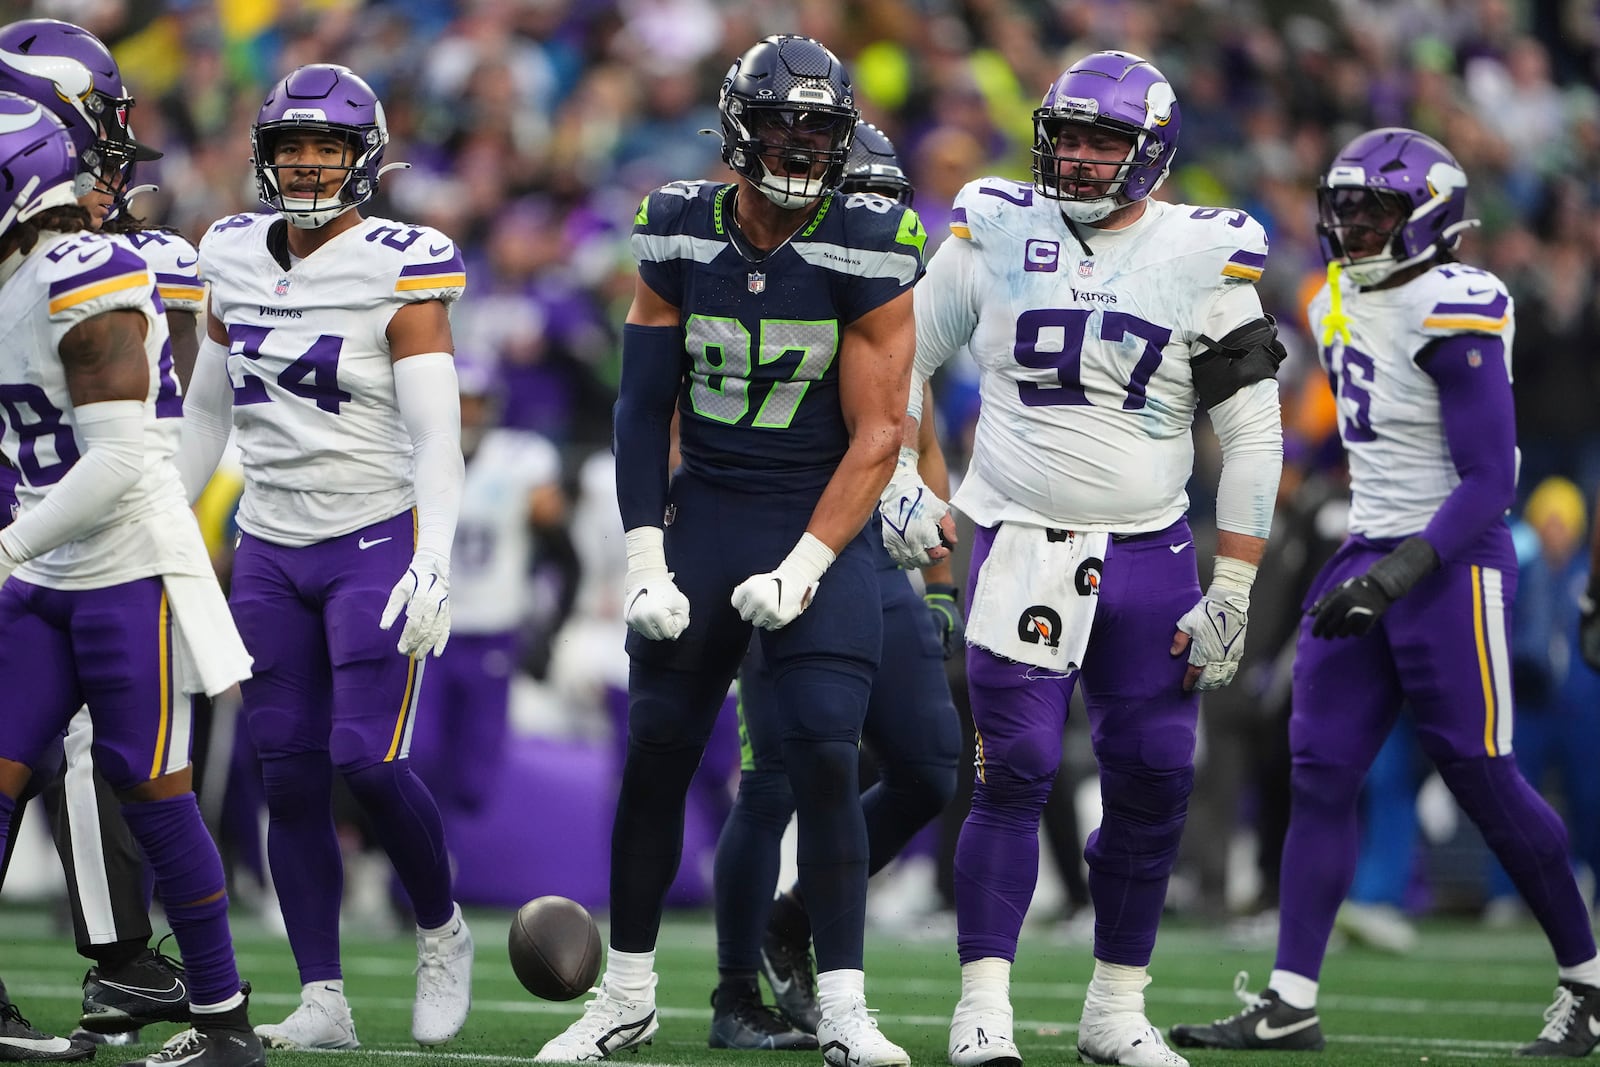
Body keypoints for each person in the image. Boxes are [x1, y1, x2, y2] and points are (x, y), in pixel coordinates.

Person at [878, 50, 1286, 1067]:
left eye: (1104, 139)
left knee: (1153, 778)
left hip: (1152, 550)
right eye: (1067, 135)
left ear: (1150, 152)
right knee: (1010, 771)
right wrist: (900, 477)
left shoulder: (1205, 254)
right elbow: (903, 359)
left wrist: (1233, 584)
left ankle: (1115, 1005)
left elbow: (1254, 434)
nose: (1079, 156)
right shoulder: (994, 227)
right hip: (1017, 537)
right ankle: (983, 1002)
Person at [535, 35, 925, 1067]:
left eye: (819, 127)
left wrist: (803, 565)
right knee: (656, 754)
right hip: (705, 512)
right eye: (783, 123)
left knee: (830, 756)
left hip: (817, 513)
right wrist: (645, 557)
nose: (800, 145)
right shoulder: (675, 225)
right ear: (737, 125)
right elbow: (640, 404)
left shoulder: (870, 236)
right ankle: (624, 995)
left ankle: (840, 1002)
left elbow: (881, 433)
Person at [1168, 126, 1600, 1057]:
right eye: (1346, 206)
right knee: (1317, 767)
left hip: (1453, 561)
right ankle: (1290, 999)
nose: (1355, 224)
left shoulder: (1461, 302)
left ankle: (1589, 981)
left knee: (1483, 772)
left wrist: (1402, 572)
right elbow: (1363, 430)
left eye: (1377, 210)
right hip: (1365, 545)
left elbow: (1490, 479)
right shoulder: (1331, 298)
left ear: (1431, 219)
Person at [175, 63, 474, 1050]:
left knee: (367, 759)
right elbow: (209, 407)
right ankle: (323, 993)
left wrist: (433, 559)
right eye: (291, 148)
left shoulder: (401, 261)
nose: (307, 166)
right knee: (287, 771)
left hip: (373, 534)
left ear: (363, 159)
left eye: (327, 149)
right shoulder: (227, 250)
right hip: (266, 538)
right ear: (265, 157)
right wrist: (168, 524)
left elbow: (437, 437)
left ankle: (441, 928)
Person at [0, 91, 263, 1067]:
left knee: (152, 789)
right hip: (46, 567)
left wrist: (5, 547)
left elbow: (116, 460)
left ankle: (226, 1019)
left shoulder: (92, 268)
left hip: (120, 573)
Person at [707, 119, 961, 1052]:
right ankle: (736, 990)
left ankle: (793, 917)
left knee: (931, 766)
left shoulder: (899, 297)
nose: (878, 215)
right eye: (863, 195)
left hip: (876, 565)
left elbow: (920, 437)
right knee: (777, 775)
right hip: (783, 553)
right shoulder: (773, 294)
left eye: (889, 198)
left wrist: (940, 580)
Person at [408, 358, 572, 829]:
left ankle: (446, 862)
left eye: (476, 403)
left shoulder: (521, 461)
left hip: (494, 634)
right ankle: (411, 877)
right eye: (459, 402)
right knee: (419, 755)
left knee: (475, 776)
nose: (468, 413)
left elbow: (565, 552)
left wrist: (549, 627)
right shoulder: (409, 455)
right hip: (427, 632)